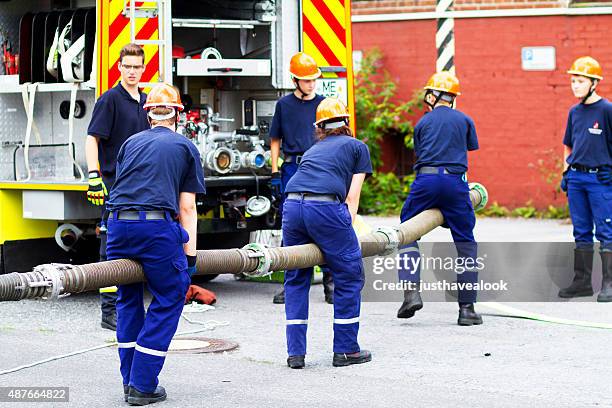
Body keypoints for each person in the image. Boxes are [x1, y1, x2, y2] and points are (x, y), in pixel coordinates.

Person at [105, 83, 205, 405]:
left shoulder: (130, 144)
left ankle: (129, 381)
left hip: (117, 226)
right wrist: (189, 260)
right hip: (155, 229)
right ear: (178, 114)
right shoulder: (185, 147)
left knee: (128, 298)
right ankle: (143, 384)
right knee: (171, 292)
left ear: (149, 115)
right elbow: (186, 208)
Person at [282, 98, 372, 368]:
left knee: (296, 275)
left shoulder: (313, 150)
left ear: (319, 128)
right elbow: (351, 199)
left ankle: (295, 353)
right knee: (349, 273)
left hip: (292, 205)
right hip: (325, 208)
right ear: (346, 123)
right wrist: (347, 236)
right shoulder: (358, 148)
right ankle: (346, 350)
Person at [396, 71, 482, 326]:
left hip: (426, 181)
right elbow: (467, 149)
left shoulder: (422, 123)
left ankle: (411, 293)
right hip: (456, 182)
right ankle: (467, 309)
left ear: (432, 96)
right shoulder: (465, 119)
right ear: (453, 97)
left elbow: (423, 156)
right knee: (466, 242)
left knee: (407, 231)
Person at [86, 43, 150, 331]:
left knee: (140, 243)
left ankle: (130, 306)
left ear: (143, 68)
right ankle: (108, 311)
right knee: (110, 244)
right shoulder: (109, 100)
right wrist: (93, 174)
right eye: (128, 66)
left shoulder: (146, 102)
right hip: (115, 183)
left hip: (144, 184)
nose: (132, 71)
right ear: (119, 67)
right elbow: (92, 138)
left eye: (137, 66)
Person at [269, 51, 334, 305]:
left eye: (313, 80)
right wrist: (274, 172)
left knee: (325, 222)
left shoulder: (324, 104)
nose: (311, 84)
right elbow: (275, 139)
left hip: (319, 168)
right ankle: (291, 284)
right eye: (306, 80)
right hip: (292, 169)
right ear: (295, 80)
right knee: (292, 225)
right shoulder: (283, 106)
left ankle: (331, 284)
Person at [559, 56, 612, 302]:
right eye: (573, 81)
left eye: (580, 81)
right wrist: (565, 172)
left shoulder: (607, 110)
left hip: (600, 179)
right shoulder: (574, 112)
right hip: (577, 179)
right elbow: (568, 145)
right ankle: (582, 283)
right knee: (581, 231)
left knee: (606, 231)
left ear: (593, 83)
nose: (575, 86)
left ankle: (609, 284)